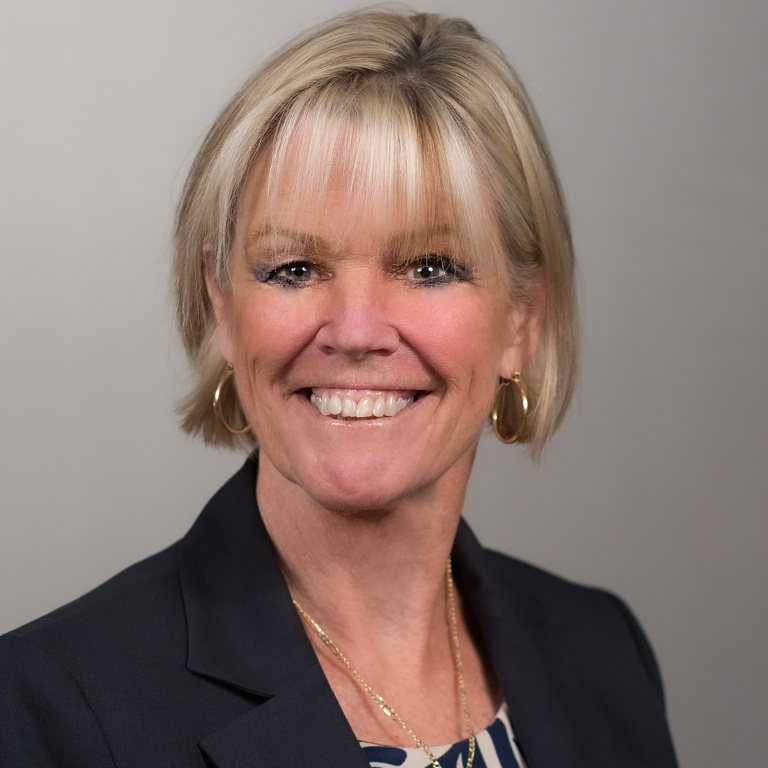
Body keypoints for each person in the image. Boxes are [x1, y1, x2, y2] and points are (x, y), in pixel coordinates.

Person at [0, 8, 677, 767]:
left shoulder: (604, 653)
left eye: (429, 267)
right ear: (222, 304)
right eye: (295, 269)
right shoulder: (44, 709)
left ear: (521, 320)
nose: (355, 331)